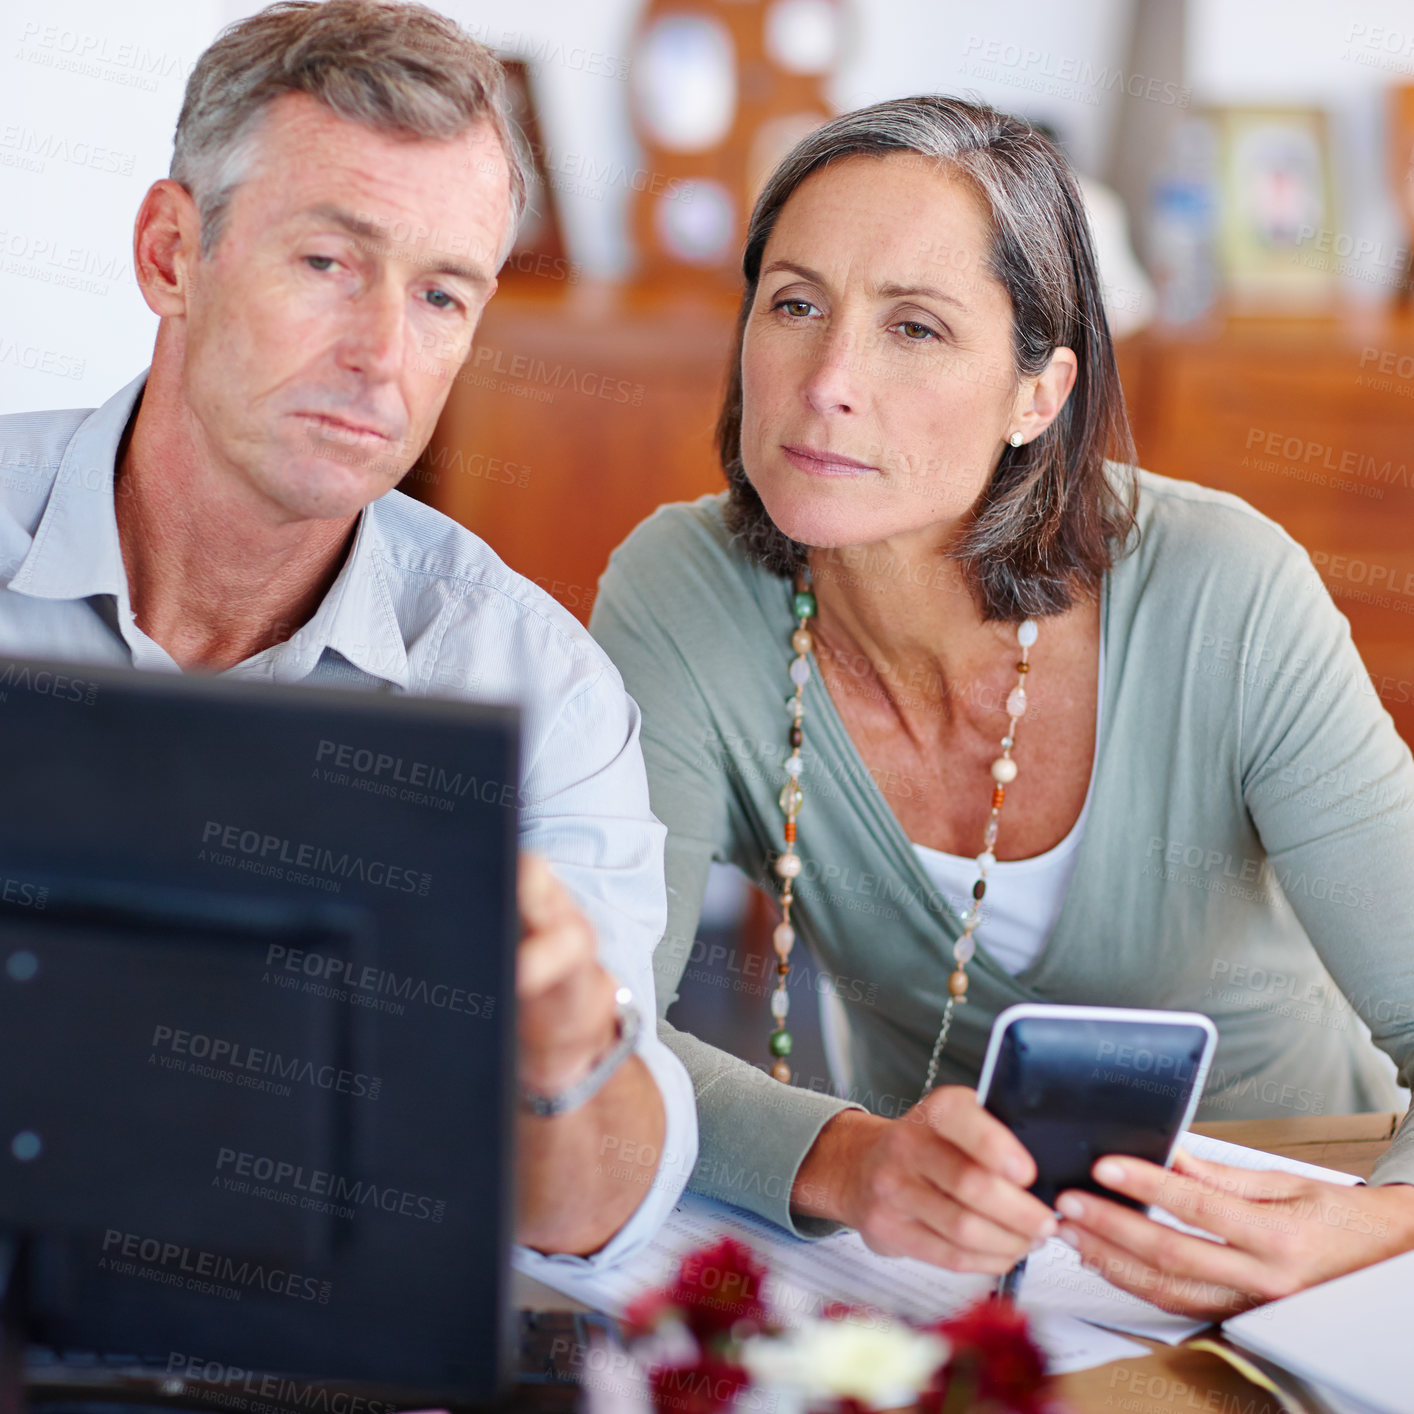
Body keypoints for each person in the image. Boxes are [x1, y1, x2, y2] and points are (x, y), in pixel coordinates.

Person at [591, 95, 1414, 1318]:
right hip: (942, 1266)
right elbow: (598, 1054)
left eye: (915, 328)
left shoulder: (1222, 589)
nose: (827, 383)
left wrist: (1364, 1231)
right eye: (794, 303)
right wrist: (853, 1159)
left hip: (1298, 1225)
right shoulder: (681, 590)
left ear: (1039, 395)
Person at [0, 0, 695, 1271]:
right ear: (171, 252)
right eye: (328, 262)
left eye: (442, 294)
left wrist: (558, 1041)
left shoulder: (535, 686)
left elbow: (588, 1215)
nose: (384, 355)